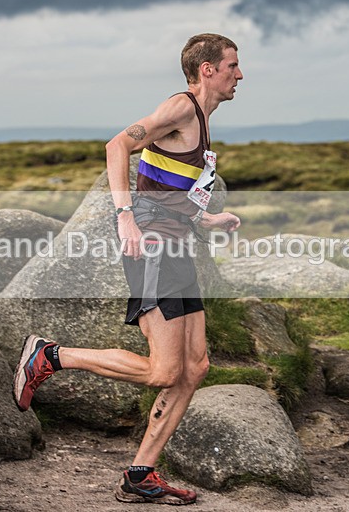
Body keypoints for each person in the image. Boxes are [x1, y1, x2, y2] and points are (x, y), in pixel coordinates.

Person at [13, 33, 243, 506]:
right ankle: (50, 357)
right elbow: (117, 145)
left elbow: (163, 181)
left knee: (195, 367)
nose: (239, 75)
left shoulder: (201, 121)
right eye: (232, 66)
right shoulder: (180, 108)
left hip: (177, 248)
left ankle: (140, 474)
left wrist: (206, 217)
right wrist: (124, 217)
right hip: (155, 249)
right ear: (207, 70)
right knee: (163, 371)